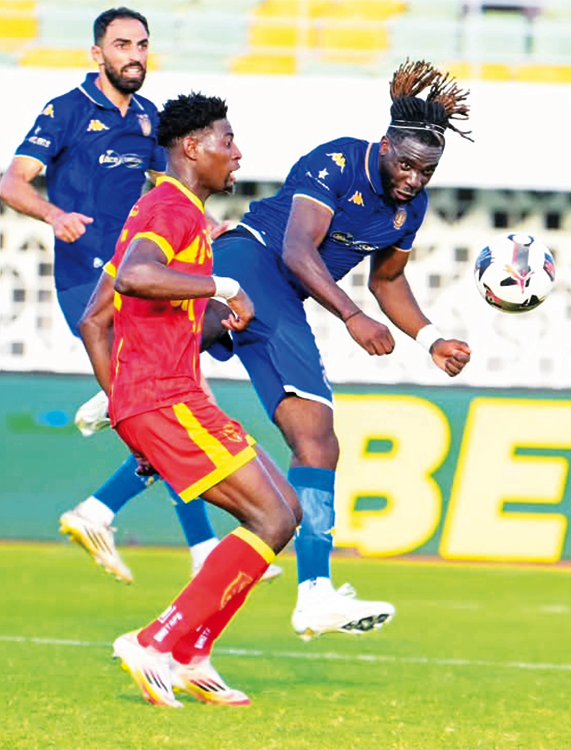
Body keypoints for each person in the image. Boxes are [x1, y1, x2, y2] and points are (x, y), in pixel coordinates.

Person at [0, 6, 278, 585]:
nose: (134, 54)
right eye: (122, 44)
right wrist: (54, 214)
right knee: (175, 401)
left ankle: (101, 504)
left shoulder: (151, 118)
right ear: (97, 53)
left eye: (142, 44)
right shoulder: (67, 111)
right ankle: (190, 541)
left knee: (173, 406)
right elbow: (12, 182)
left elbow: (174, 187)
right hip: (95, 284)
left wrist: (209, 226)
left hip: (143, 285)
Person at [211, 59, 473, 640]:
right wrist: (351, 317)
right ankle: (132, 374)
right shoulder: (338, 160)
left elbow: (388, 281)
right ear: (384, 146)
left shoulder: (412, 206)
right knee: (313, 430)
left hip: (283, 299)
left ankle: (314, 594)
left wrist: (430, 339)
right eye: (405, 164)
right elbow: (298, 250)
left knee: (317, 440)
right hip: (250, 258)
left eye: (426, 171)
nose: (413, 179)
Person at [79, 91, 301, 707]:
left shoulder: (167, 211)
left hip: (158, 398)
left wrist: (210, 321)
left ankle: (191, 652)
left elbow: (96, 319)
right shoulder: (171, 211)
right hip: (167, 400)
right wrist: (222, 284)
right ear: (192, 147)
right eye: (227, 141)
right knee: (274, 516)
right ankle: (156, 642)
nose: (237, 153)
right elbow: (134, 277)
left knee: (283, 510)